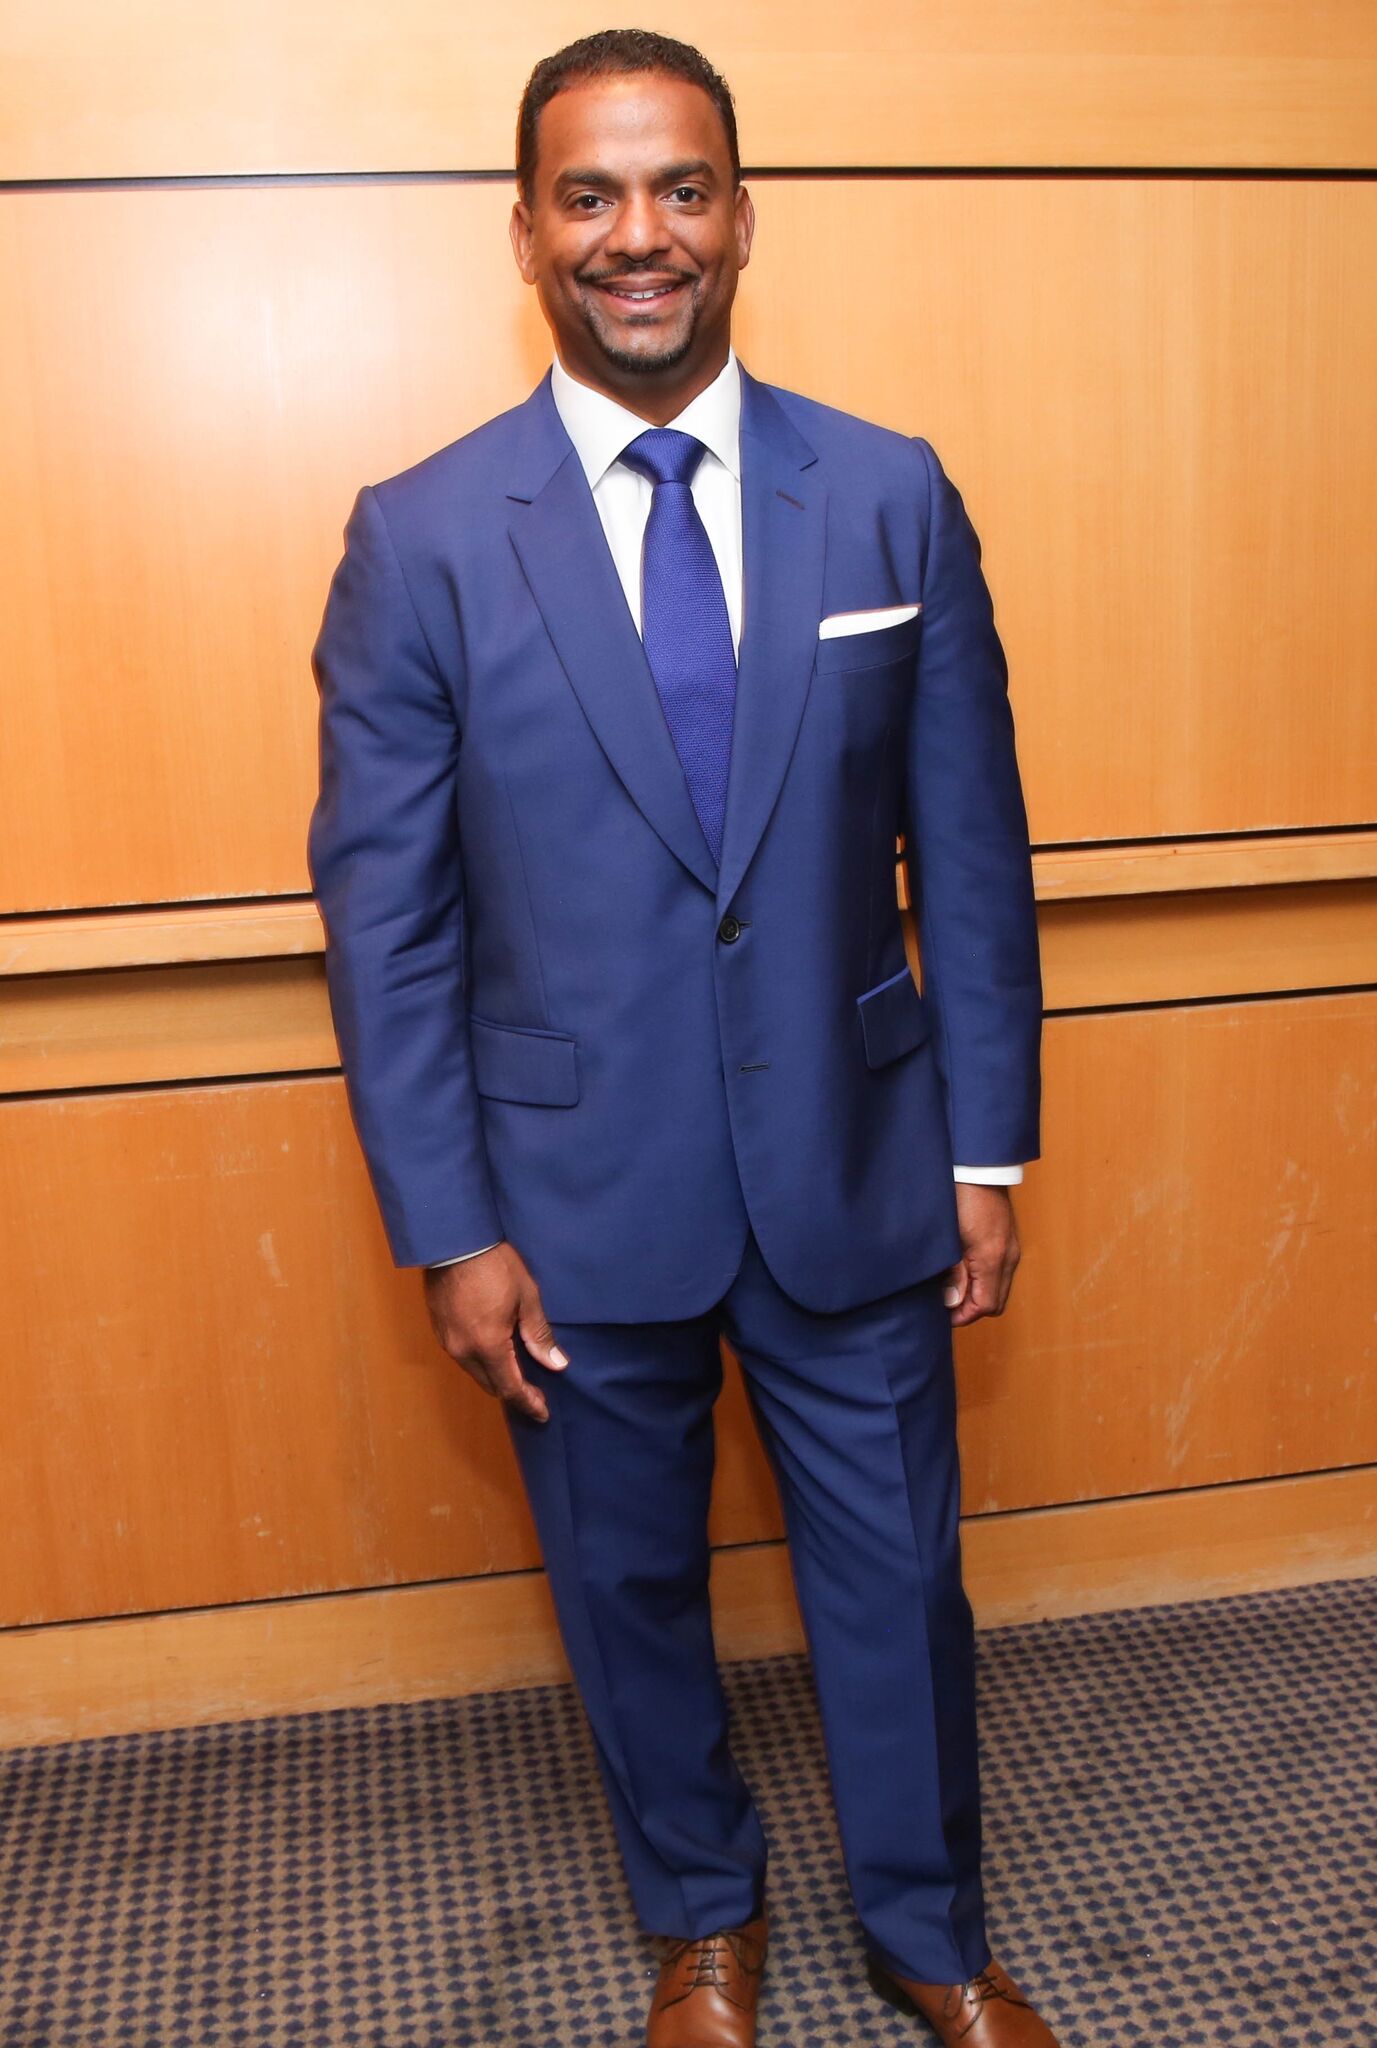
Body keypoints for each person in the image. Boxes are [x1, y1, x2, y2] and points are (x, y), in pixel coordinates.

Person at [307, 28, 1057, 2046]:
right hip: (563, 1203)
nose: (637, 236)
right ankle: (698, 1920)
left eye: (679, 189)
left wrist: (985, 1146)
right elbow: (385, 914)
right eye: (588, 195)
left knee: (895, 1586)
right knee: (625, 1596)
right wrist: (450, 1222)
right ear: (530, 230)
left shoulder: (888, 496)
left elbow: (967, 853)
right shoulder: (426, 536)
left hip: (857, 1164)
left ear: (740, 213)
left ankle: (927, 1931)